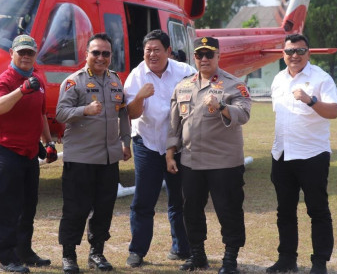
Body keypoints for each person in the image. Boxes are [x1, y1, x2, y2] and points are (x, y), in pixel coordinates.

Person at [166, 36, 252, 274]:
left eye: (209, 54)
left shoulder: (234, 84)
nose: (204, 59)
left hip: (224, 162)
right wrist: (170, 153)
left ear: (218, 56)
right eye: (199, 55)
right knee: (191, 210)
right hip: (191, 161)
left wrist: (222, 106)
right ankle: (197, 255)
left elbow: (243, 115)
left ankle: (230, 259)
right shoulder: (183, 86)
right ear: (194, 57)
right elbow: (174, 124)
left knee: (229, 210)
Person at [266, 34, 337, 274]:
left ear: (308, 53)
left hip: (312, 155)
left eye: (300, 51)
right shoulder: (278, 79)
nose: (294, 56)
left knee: (317, 210)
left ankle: (319, 263)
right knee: (285, 211)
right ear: (283, 54)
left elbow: (333, 112)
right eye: (289, 52)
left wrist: (311, 101)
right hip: (282, 154)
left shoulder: (321, 78)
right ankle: (287, 259)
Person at [56, 33, 132, 274]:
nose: (100, 57)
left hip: (109, 158)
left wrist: (126, 141)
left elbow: (123, 114)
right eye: (96, 52)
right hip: (81, 158)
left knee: (104, 208)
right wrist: (84, 110)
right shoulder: (73, 82)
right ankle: (69, 255)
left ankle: (96, 253)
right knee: (76, 209)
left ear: (110, 56)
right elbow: (60, 112)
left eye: (105, 53)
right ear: (86, 54)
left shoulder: (115, 81)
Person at [123, 30, 196, 268]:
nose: (151, 54)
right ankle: (137, 252)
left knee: (180, 199)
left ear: (168, 52)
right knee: (144, 200)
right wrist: (139, 98)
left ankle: (182, 248)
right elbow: (131, 114)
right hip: (148, 144)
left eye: (156, 50)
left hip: (179, 146)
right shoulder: (136, 76)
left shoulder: (185, 72)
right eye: (147, 50)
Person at [0, 34, 56, 273]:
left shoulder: (37, 78)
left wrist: (48, 143)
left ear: (35, 54)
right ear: (12, 53)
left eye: (30, 52)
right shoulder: (5, 79)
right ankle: (7, 258)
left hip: (30, 153)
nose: (26, 56)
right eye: (22, 52)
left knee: (29, 206)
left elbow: (41, 115)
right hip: (6, 151)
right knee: (7, 207)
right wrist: (21, 90)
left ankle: (24, 251)